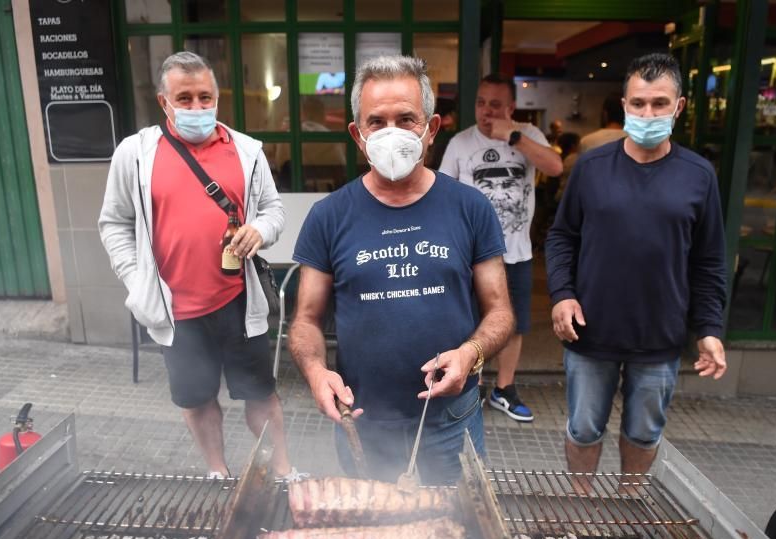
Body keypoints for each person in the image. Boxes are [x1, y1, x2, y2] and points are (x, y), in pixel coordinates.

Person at [289, 55, 514, 485]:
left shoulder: (471, 208)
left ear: (431, 128)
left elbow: (500, 312)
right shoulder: (329, 216)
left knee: (459, 535)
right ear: (358, 134)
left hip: (452, 421)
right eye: (377, 121)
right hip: (364, 422)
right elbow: (305, 319)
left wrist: (470, 355)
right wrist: (317, 373)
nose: (391, 132)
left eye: (406, 118)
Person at [99, 51, 293, 479]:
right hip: (175, 311)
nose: (197, 108)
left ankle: (282, 471)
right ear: (163, 101)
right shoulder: (135, 154)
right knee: (196, 400)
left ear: (217, 97)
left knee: (262, 395)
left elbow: (274, 210)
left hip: (239, 304)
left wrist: (260, 230)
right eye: (184, 98)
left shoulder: (246, 150)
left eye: (205, 97)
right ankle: (217, 474)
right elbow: (114, 222)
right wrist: (136, 280)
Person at [545, 53, 728, 492]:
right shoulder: (591, 168)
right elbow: (561, 237)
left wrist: (708, 328)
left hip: (659, 334)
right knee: (584, 427)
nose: (648, 114)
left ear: (679, 107)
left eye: (659, 104)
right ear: (625, 105)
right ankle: (581, 503)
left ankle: (628, 502)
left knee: (645, 432)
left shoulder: (699, 176)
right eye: (639, 103)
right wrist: (562, 294)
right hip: (591, 330)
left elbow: (709, 261)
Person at [440, 75, 563, 423]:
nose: (486, 110)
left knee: (514, 324)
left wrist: (512, 136)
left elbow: (554, 167)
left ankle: (504, 389)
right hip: (469, 255)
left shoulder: (528, 135)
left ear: (511, 107)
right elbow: (442, 195)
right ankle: (467, 383)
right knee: (468, 322)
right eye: (481, 102)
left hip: (516, 251)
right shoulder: (461, 143)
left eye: (495, 104)